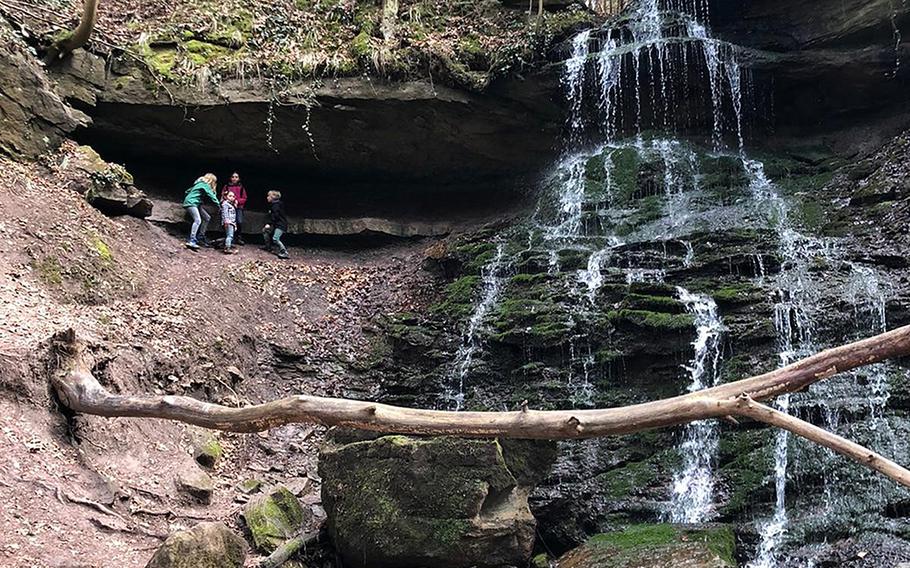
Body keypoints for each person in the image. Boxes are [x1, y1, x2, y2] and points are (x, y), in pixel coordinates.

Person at [182, 173, 219, 250]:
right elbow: (211, 195)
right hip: (192, 203)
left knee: (206, 217)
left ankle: (200, 236)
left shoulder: (198, 184)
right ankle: (192, 240)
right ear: (211, 180)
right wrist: (218, 204)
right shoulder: (205, 185)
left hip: (195, 203)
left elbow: (187, 191)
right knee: (197, 220)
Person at [262, 190, 289, 259]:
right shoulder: (274, 205)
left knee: (275, 238)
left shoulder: (276, 206)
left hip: (280, 225)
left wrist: (269, 224)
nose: (267, 197)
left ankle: (284, 252)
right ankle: (268, 246)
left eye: (269, 196)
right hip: (277, 224)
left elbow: (275, 216)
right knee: (265, 231)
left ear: (273, 197)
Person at [222, 172, 248, 245]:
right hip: (228, 207)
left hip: (238, 207)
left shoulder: (241, 188)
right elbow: (223, 196)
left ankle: (238, 237)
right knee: (228, 221)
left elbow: (244, 198)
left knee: (239, 221)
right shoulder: (227, 186)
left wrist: (237, 201)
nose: (234, 178)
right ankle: (229, 237)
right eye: (233, 177)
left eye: (236, 177)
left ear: (239, 178)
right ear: (230, 178)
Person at [221, 190, 239, 255]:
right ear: (226, 197)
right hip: (229, 222)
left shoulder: (231, 204)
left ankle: (226, 245)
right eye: (230, 196)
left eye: (233, 196)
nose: (232, 197)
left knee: (229, 235)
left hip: (232, 222)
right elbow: (225, 213)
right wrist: (226, 221)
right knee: (230, 235)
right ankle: (227, 248)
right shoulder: (225, 204)